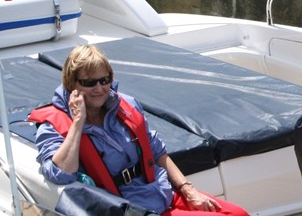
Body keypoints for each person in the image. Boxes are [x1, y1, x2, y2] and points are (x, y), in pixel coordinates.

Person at [29, 44, 249, 216]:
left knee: (238, 213)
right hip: (127, 208)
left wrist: (187, 189)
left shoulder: (126, 105)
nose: (99, 88)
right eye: (89, 83)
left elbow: (157, 151)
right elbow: (60, 174)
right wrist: (78, 122)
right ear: (71, 84)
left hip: (161, 192)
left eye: (104, 80)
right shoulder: (53, 125)